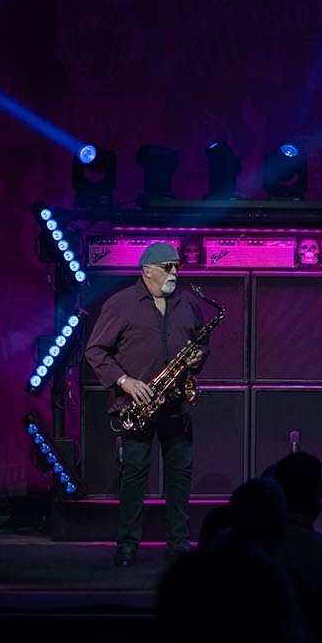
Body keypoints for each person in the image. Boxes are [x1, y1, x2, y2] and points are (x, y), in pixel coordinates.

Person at [84, 241, 211, 566]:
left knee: (180, 476)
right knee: (135, 477)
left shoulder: (188, 302)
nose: (174, 272)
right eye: (167, 267)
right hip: (137, 405)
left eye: (177, 266)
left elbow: (201, 342)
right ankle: (127, 544)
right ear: (147, 271)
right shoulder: (121, 303)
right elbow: (95, 350)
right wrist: (125, 381)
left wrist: (199, 357)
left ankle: (178, 544)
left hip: (176, 405)